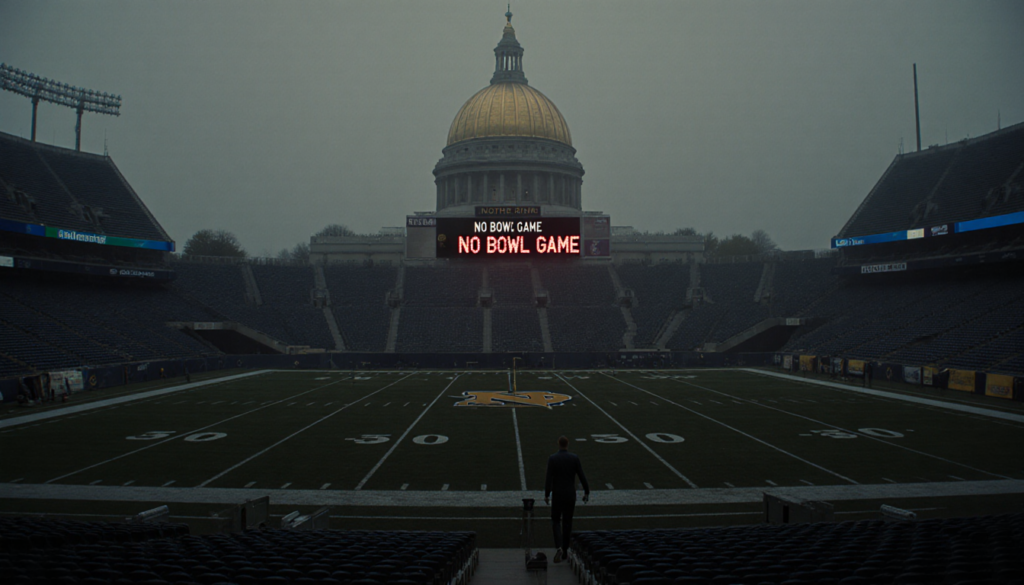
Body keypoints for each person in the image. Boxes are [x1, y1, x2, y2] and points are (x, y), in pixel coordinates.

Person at [544, 436, 590, 563]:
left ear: (558, 444)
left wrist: (547, 494)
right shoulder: (574, 458)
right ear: (567, 444)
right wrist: (586, 491)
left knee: (555, 521)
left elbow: (548, 478)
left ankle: (559, 546)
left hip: (558, 494)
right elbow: (582, 476)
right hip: (570, 494)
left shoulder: (553, 458)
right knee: (567, 522)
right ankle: (565, 550)